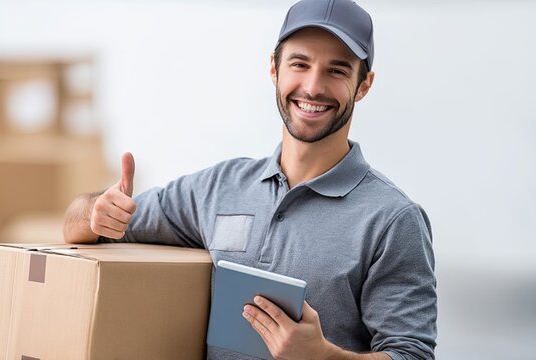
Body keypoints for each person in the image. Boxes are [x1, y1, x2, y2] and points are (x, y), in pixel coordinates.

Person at [63, 0, 436, 359]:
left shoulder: (393, 220)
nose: (313, 86)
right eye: (299, 64)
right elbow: (77, 227)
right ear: (274, 69)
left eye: (336, 70)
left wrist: (324, 359)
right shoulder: (218, 189)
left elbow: (412, 354)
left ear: (364, 85)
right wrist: (95, 211)